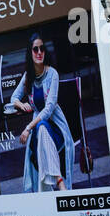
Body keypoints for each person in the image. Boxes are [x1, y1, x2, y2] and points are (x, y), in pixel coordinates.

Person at [10, 34, 75, 193]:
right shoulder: (28, 76)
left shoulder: (52, 74)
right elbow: (13, 98)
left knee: (42, 128)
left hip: (56, 131)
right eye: (35, 49)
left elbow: (49, 108)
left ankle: (50, 187)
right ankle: (60, 183)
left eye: (42, 49)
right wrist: (22, 103)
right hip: (39, 131)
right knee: (42, 130)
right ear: (30, 53)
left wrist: (28, 128)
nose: (39, 52)